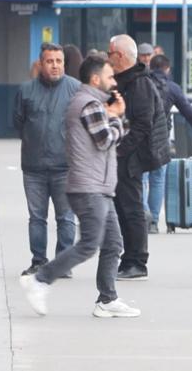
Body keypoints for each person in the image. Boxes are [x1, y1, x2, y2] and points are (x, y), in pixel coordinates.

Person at [20, 55, 140, 318]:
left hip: (99, 186)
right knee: (89, 244)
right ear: (95, 79)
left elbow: (112, 135)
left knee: (113, 244)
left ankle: (107, 299)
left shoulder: (92, 104)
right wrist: (117, 118)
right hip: (89, 187)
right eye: (110, 76)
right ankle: (40, 279)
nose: (113, 81)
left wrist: (116, 117)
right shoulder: (89, 104)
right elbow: (105, 140)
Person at [14, 42, 80, 276]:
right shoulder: (26, 90)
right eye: (49, 61)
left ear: (64, 63)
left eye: (58, 61)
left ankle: (63, 264)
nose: (54, 66)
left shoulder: (76, 89)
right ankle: (39, 262)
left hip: (65, 167)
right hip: (33, 167)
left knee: (66, 217)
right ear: (40, 64)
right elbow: (19, 123)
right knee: (37, 218)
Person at [108, 35, 169, 281]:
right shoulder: (124, 80)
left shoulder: (139, 84)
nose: (108, 57)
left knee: (132, 208)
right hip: (123, 155)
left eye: (110, 53)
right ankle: (128, 258)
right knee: (123, 208)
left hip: (132, 156)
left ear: (120, 56)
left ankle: (137, 261)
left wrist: (120, 151)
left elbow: (143, 125)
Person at [142, 54, 192, 233]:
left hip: (141, 136)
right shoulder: (172, 87)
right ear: (167, 69)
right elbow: (186, 108)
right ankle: (153, 221)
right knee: (158, 178)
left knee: (142, 178)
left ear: (151, 67)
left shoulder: (142, 83)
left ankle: (142, 214)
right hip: (162, 137)